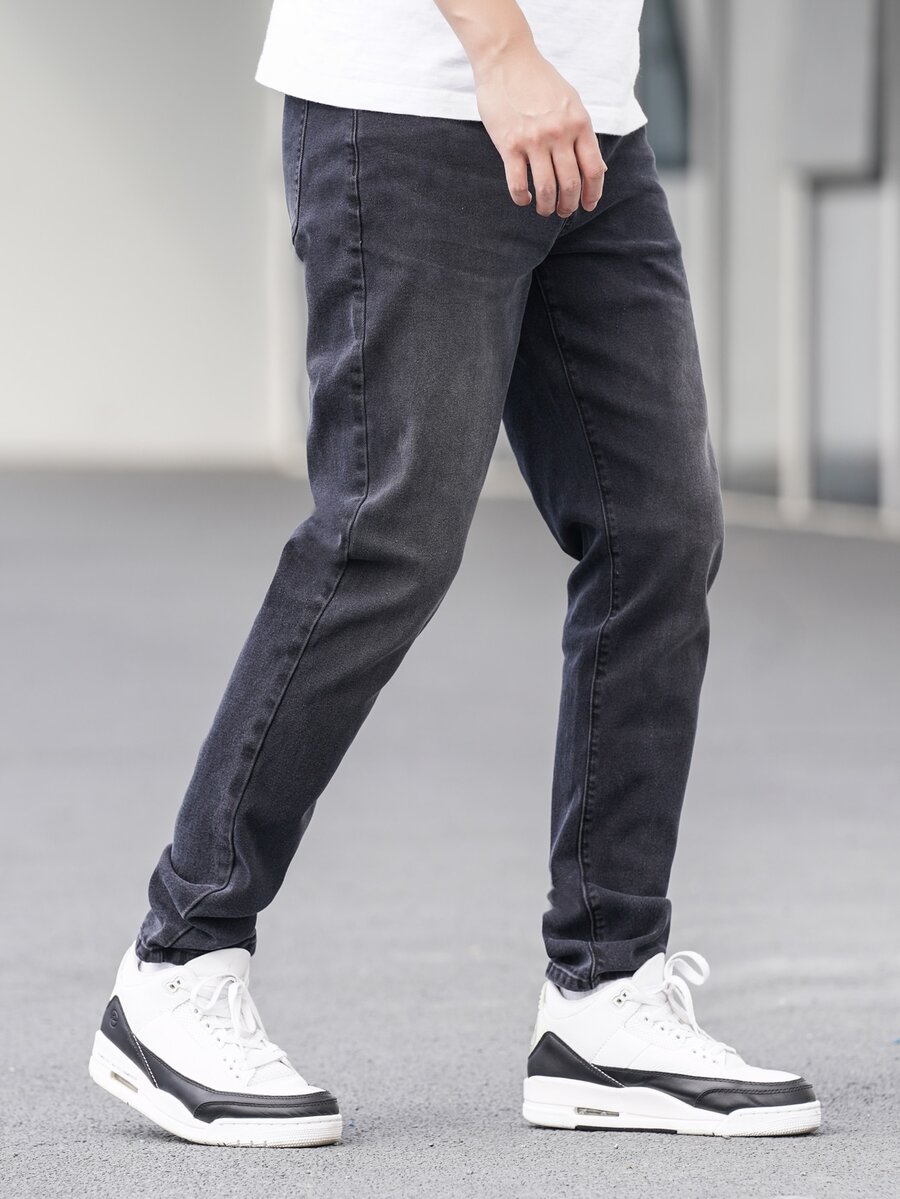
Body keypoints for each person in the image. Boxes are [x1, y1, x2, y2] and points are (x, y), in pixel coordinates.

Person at [88, 0, 821, 1146]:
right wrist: (503, 48)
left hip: (590, 117)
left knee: (659, 530)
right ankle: (180, 961)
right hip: (414, 108)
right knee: (386, 537)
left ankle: (606, 995)